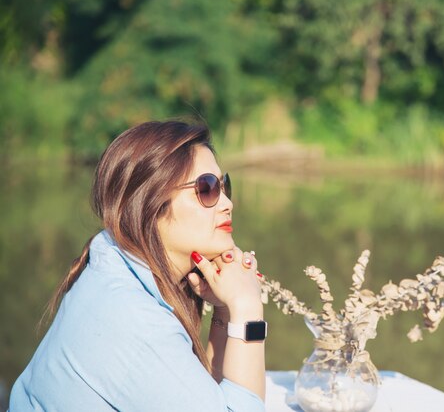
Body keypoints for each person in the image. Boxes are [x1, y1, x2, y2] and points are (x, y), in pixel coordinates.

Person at [9, 121, 266, 411]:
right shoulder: (132, 318)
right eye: (208, 188)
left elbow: (204, 397)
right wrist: (247, 308)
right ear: (151, 205)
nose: (228, 203)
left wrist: (224, 311)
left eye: (225, 185)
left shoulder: (115, 267)